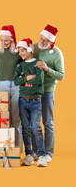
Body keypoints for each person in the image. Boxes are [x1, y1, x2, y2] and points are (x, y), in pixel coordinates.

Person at [32, 25, 65, 163]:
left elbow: (61, 75)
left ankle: (48, 152)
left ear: (51, 42)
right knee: (34, 122)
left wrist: (47, 69)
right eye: (41, 38)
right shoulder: (34, 48)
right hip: (33, 90)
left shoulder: (57, 53)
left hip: (47, 91)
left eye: (45, 40)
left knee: (48, 122)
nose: (42, 42)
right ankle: (35, 151)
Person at [14, 38, 47, 167]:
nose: (21, 53)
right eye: (19, 51)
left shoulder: (38, 64)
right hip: (22, 100)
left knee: (36, 127)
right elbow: (16, 81)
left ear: (29, 50)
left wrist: (24, 80)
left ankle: (42, 155)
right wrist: (28, 78)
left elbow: (39, 80)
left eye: (23, 50)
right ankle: (29, 154)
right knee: (26, 128)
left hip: (35, 101)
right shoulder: (19, 66)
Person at [0, 25, 22, 150]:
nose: (4, 43)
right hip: (2, 85)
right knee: (4, 117)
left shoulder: (17, 53)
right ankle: (4, 147)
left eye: (6, 40)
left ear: (12, 40)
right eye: (2, 40)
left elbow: (23, 68)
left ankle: (18, 148)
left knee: (16, 117)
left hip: (16, 85)